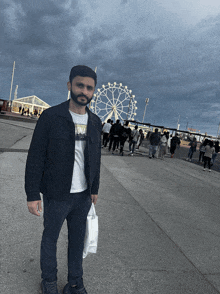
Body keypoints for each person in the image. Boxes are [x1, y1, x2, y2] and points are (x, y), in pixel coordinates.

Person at [25, 65, 102, 294]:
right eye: (80, 85)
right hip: (56, 194)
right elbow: (35, 156)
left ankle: (75, 282)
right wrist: (32, 194)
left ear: (93, 91)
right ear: (69, 85)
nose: (84, 91)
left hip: (83, 196)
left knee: (77, 242)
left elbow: (96, 158)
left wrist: (94, 188)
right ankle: (49, 281)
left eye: (89, 88)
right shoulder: (51, 117)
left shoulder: (95, 122)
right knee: (50, 239)